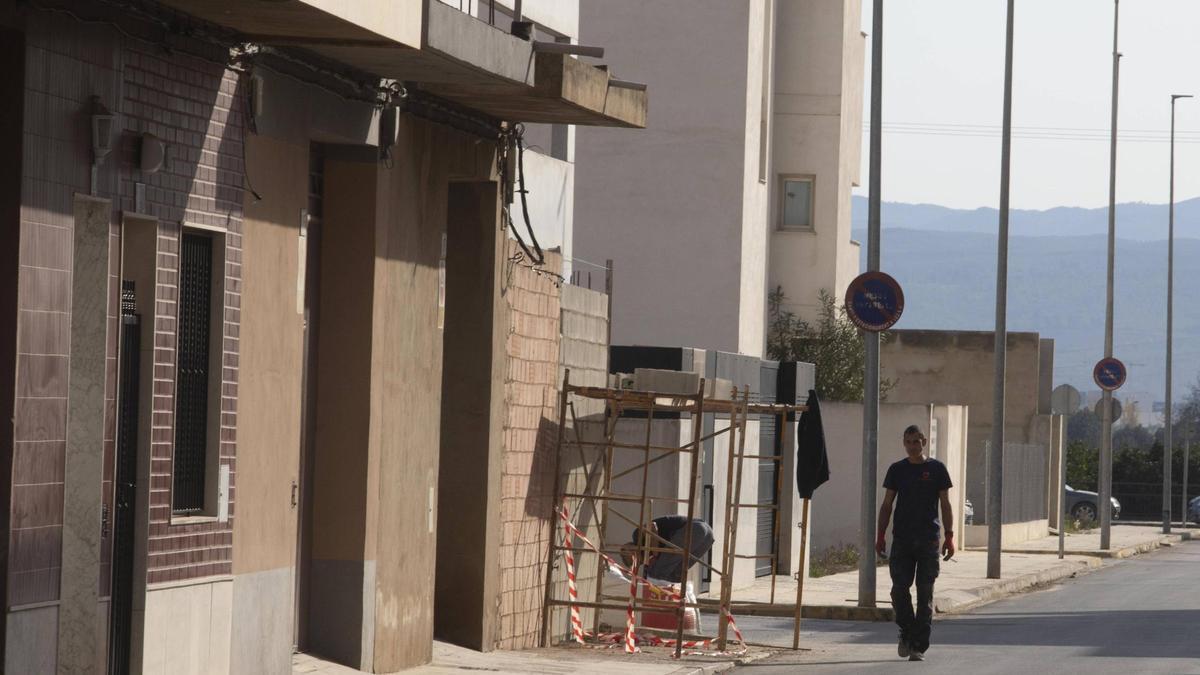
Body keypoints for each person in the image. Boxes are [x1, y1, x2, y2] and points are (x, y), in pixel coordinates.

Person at [875, 424, 955, 662]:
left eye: (916, 441)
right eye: (908, 442)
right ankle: (907, 633)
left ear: (924, 442)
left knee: (925, 593)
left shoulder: (937, 469)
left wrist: (949, 535)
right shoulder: (897, 470)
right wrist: (881, 534)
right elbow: (887, 503)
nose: (912, 446)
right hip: (903, 539)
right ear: (904, 443)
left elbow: (946, 504)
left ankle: (918, 645)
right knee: (899, 589)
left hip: (929, 540)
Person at [621, 515, 714, 582]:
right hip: (707, 538)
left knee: (655, 573)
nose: (638, 561)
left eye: (634, 559)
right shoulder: (648, 557)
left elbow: (652, 526)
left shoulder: (637, 536)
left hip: (695, 528)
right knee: (676, 575)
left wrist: (655, 553)